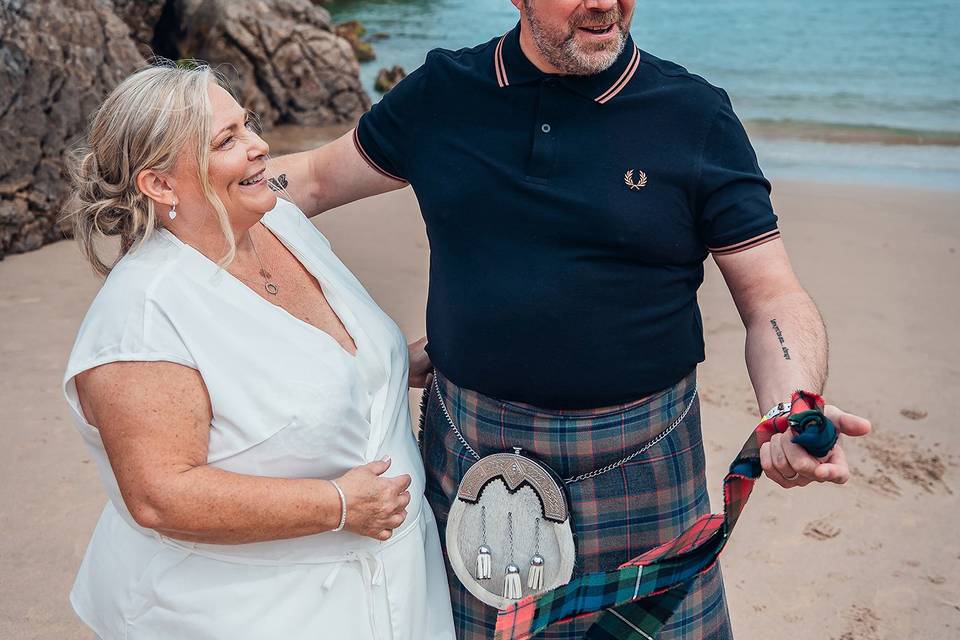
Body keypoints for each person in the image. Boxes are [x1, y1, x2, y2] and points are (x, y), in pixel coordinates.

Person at [270, 1, 872, 637]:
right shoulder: (443, 94)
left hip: (644, 465)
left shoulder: (693, 115)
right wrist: (186, 204)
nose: (605, 2)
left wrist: (794, 404)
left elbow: (772, 297)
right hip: (470, 449)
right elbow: (308, 181)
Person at [60, 61, 455, 639]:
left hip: (395, 590)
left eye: (247, 125)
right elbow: (160, 496)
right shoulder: (145, 314)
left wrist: (394, 365)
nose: (260, 147)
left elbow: (317, 360)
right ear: (160, 184)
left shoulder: (278, 222)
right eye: (227, 141)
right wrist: (340, 506)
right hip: (243, 613)